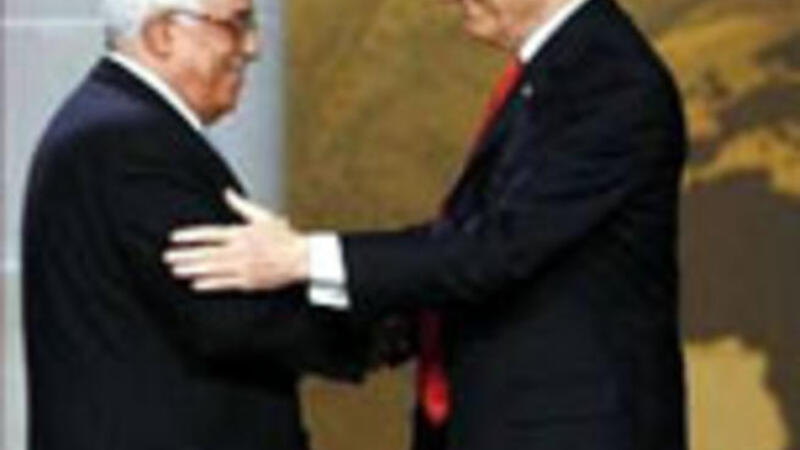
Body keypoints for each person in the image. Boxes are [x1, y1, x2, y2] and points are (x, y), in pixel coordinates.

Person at [165, 0, 689, 449]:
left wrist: (302, 258)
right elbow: (476, 239)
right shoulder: (564, 67)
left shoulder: (608, 79)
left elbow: (495, 249)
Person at [22, 0, 368, 449]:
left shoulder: (118, 122)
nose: (253, 47)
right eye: (236, 24)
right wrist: (390, 316)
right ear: (163, 33)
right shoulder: (127, 141)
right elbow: (231, 318)